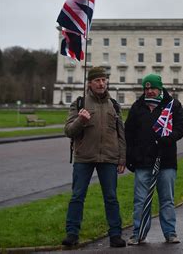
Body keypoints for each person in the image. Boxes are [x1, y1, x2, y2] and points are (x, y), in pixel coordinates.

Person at [62, 66, 126, 248]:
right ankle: (72, 234)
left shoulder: (114, 105)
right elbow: (68, 131)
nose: (101, 83)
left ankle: (115, 234)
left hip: (109, 157)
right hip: (84, 157)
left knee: (111, 197)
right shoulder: (80, 103)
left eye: (104, 80)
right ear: (89, 83)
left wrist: (122, 158)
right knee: (77, 196)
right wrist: (81, 120)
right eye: (97, 80)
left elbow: (121, 133)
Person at [125, 74, 183, 245]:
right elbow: (128, 133)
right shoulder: (137, 107)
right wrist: (130, 158)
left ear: (160, 88)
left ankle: (170, 233)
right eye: (146, 88)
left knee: (167, 200)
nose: (149, 91)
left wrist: (169, 137)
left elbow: (181, 128)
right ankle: (138, 233)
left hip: (166, 161)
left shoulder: (173, 105)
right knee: (140, 200)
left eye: (153, 88)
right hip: (142, 161)